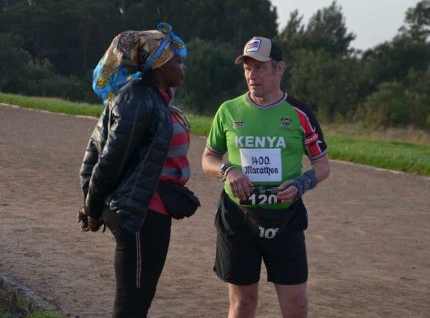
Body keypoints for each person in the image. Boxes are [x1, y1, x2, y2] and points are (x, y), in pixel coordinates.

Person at [201, 36, 331, 318]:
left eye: (260, 67)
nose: (252, 75)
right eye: (247, 68)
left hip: (285, 219)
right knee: (243, 303)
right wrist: (228, 170)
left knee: (295, 303)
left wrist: (302, 183)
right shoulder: (228, 111)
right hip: (238, 218)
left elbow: (322, 165)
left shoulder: (299, 113)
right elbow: (208, 159)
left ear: (279, 68)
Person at [78, 22, 197, 318]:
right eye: (178, 61)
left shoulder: (154, 98)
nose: (183, 66)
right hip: (141, 214)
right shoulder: (139, 100)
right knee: (132, 305)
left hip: (148, 209)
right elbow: (108, 160)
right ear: (158, 65)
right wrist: (92, 209)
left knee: (138, 301)